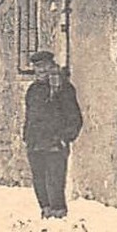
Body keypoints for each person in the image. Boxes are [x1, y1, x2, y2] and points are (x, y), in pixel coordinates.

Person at [23, 50, 83, 219]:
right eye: (37, 67)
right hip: (35, 144)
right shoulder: (33, 90)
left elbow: (75, 118)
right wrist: (27, 136)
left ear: (51, 66)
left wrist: (64, 138)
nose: (41, 70)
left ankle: (58, 216)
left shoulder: (63, 88)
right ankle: (45, 212)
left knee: (55, 182)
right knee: (39, 182)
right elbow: (29, 116)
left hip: (55, 144)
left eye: (44, 66)